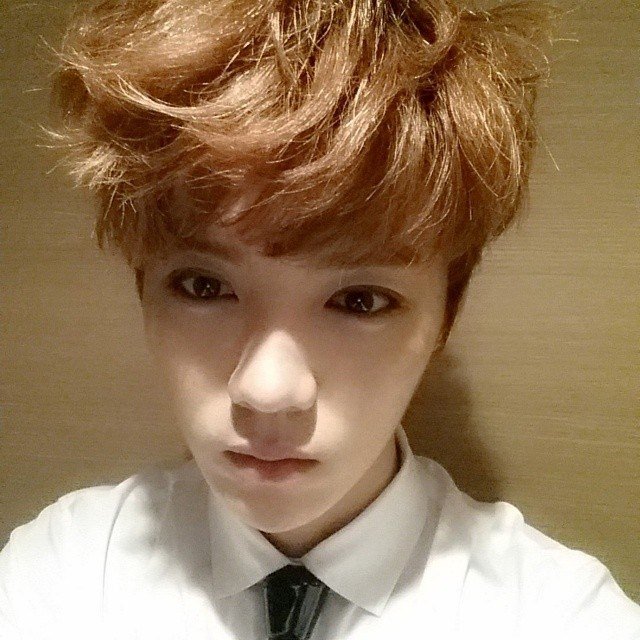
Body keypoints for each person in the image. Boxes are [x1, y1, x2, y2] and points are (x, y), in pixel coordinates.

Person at [1, 0, 638, 638]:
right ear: (144, 290)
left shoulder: (560, 614)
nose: (268, 392)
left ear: (447, 313)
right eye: (204, 286)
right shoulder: (66, 572)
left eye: (360, 300)